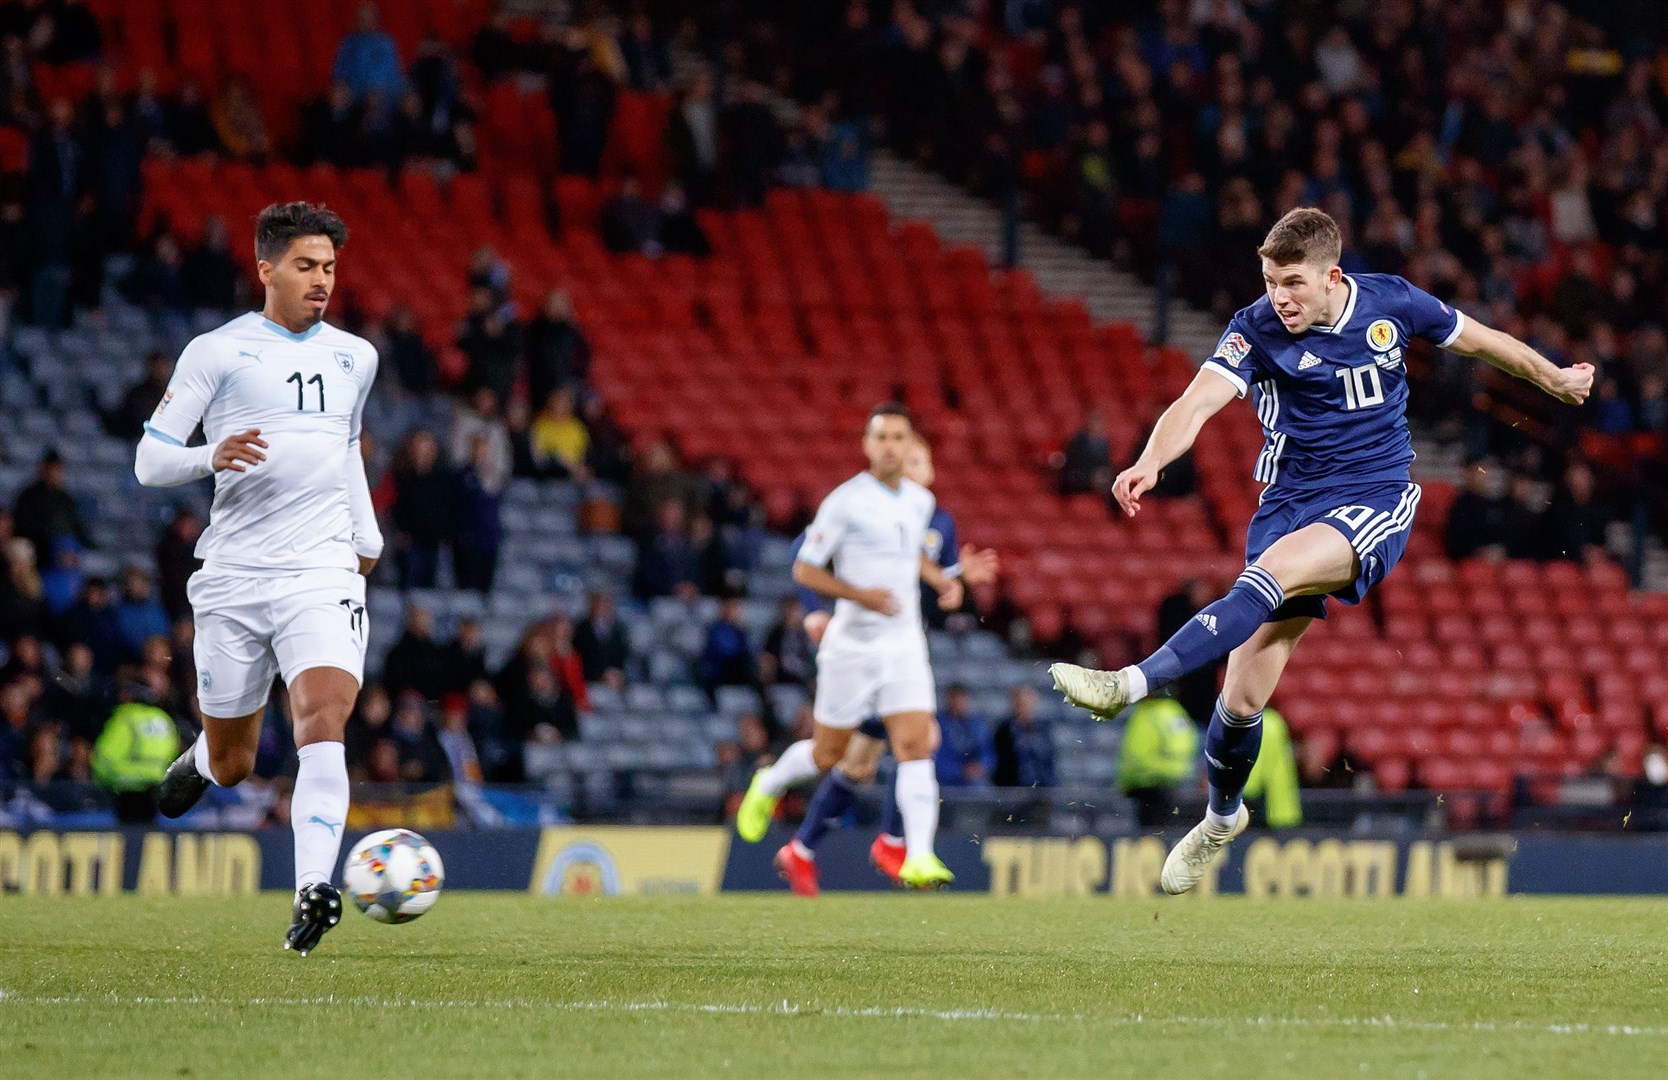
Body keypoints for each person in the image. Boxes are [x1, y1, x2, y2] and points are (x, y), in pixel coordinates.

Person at [1049, 207, 1592, 894]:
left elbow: (1482, 341)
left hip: (1374, 497)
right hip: (1288, 506)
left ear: (1332, 276)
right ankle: (1221, 817)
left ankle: (1128, 684)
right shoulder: (1255, 327)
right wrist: (1150, 461)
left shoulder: (1391, 302)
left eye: (1294, 283)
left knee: (1271, 577)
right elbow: (1196, 401)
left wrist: (1552, 378)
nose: (1280, 296)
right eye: (1272, 280)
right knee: (1242, 701)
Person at [133, 202, 383, 955]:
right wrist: (210, 455)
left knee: (323, 718)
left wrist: (365, 532)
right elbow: (149, 462)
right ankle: (203, 757)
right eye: (306, 267)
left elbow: (345, 448)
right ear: (266, 268)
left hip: (322, 568)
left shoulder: (357, 357)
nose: (321, 282)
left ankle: (314, 887)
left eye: (330, 268)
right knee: (238, 761)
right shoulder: (218, 352)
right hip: (237, 575)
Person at [733, 404, 964, 891]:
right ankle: (770, 783)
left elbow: (909, 559)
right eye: (881, 437)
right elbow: (804, 567)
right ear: (867, 445)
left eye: (899, 437)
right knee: (828, 755)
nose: (891, 446)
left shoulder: (920, 504)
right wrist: (855, 598)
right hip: (852, 646)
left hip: (903, 644)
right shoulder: (845, 501)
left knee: (916, 744)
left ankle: (918, 855)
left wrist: (948, 580)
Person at [779, 437, 995, 894]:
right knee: (875, 751)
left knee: (862, 761)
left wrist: (955, 584)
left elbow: (931, 586)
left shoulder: (937, 520)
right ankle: (888, 841)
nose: (913, 466)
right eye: (908, 458)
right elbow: (806, 553)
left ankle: (807, 847)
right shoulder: (865, 507)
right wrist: (814, 608)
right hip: (862, 651)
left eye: (922, 460)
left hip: (902, 653)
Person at [91, 681, 181, 824]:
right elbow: (174, 752)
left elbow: (104, 757)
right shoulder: (164, 719)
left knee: (130, 840)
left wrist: (101, 779)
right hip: (157, 790)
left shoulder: (126, 717)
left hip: (128, 791)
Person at [1117, 694, 1199, 828]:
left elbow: (1137, 750)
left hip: (1151, 781)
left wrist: (1131, 777)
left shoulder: (1151, 712)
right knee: (1161, 829)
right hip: (1165, 781)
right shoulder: (1174, 711)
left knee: (1153, 831)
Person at [1242, 706, 1301, 828]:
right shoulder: (1274, 720)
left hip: (1251, 804)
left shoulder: (1257, 722)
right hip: (1281, 809)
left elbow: (1252, 782)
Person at [992, 685, 1056, 789]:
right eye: (1019, 704)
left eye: (1025, 704)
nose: (1022, 707)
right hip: (1014, 788)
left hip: (1042, 787)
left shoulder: (1042, 729)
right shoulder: (1004, 730)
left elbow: (1048, 759)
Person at [934, 684, 995, 788]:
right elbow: (938, 758)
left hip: (975, 782)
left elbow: (988, 753)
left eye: (962, 698)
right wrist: (961, 770)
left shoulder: (977, 724)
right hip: (947, 782)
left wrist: (981, 766)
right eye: (955, 698)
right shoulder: (939, 724)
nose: (959, 702)